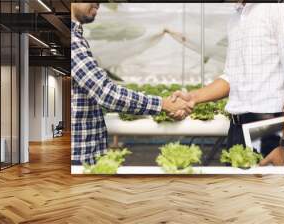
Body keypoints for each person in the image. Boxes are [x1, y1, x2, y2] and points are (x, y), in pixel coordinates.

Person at [71, 3, 193, 165]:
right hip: (78, 158)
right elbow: (106, 93)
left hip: (84, 154)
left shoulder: (76, 38)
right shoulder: (73, 41)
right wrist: (164, 104)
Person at [170, 3, 284, 166]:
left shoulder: (275, 9)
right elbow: (231, 77)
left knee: (267, 189)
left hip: (268, 125)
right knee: (235, 188)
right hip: (236, 127)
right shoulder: (234, 19)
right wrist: (193, 97)